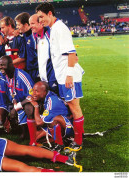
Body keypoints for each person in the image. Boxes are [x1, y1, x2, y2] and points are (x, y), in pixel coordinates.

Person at [36, 2, 85, 151]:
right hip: (63, 76)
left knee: (74, 107)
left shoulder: (60, 29)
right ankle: (77, 137)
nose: (40, 21)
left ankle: (79, 140)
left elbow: (71, 53)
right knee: (71, 105)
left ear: (50, 13)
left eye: (42, 17)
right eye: (39, 18)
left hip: (68, 76)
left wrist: (69, 76)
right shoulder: (53, 29)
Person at [25, 81, 74, 152]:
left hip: (68, 126)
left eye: (36, 91)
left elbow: (39, 123)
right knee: (37, 138)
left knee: (53, 120)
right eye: (33, 91)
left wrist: (36, 106)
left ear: (44, 92)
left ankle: (59, 144)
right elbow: (29, 97)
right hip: (59, 124)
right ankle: (64, 140)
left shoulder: (52, 101)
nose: (33, 93)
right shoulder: (47, 96)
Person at [0, 56, 35, 144]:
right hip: (18, 100)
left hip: (30, 101)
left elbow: (33, 95)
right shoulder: (6, 75)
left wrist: (17, 107)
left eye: (3, 65)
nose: (0, 67)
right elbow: (12, 91)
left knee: (28, 108)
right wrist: (14, 103)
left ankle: (31, 133)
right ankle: (19, 128)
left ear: (11, 65)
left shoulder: (22, 76)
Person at [29, 14, 58, 94]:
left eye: (32, 23)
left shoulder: (50, 34)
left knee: (58, 100)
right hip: (43, 76)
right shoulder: (35, 35)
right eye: (29, 24)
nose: (30, 26)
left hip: (52, 76)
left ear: (41, 23)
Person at [15, 12, 40, 82]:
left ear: (25, 25)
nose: (17, 27)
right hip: (30, 70)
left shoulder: (35, 36)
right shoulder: (24, 36)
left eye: (18, 25)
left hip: (37, 70)